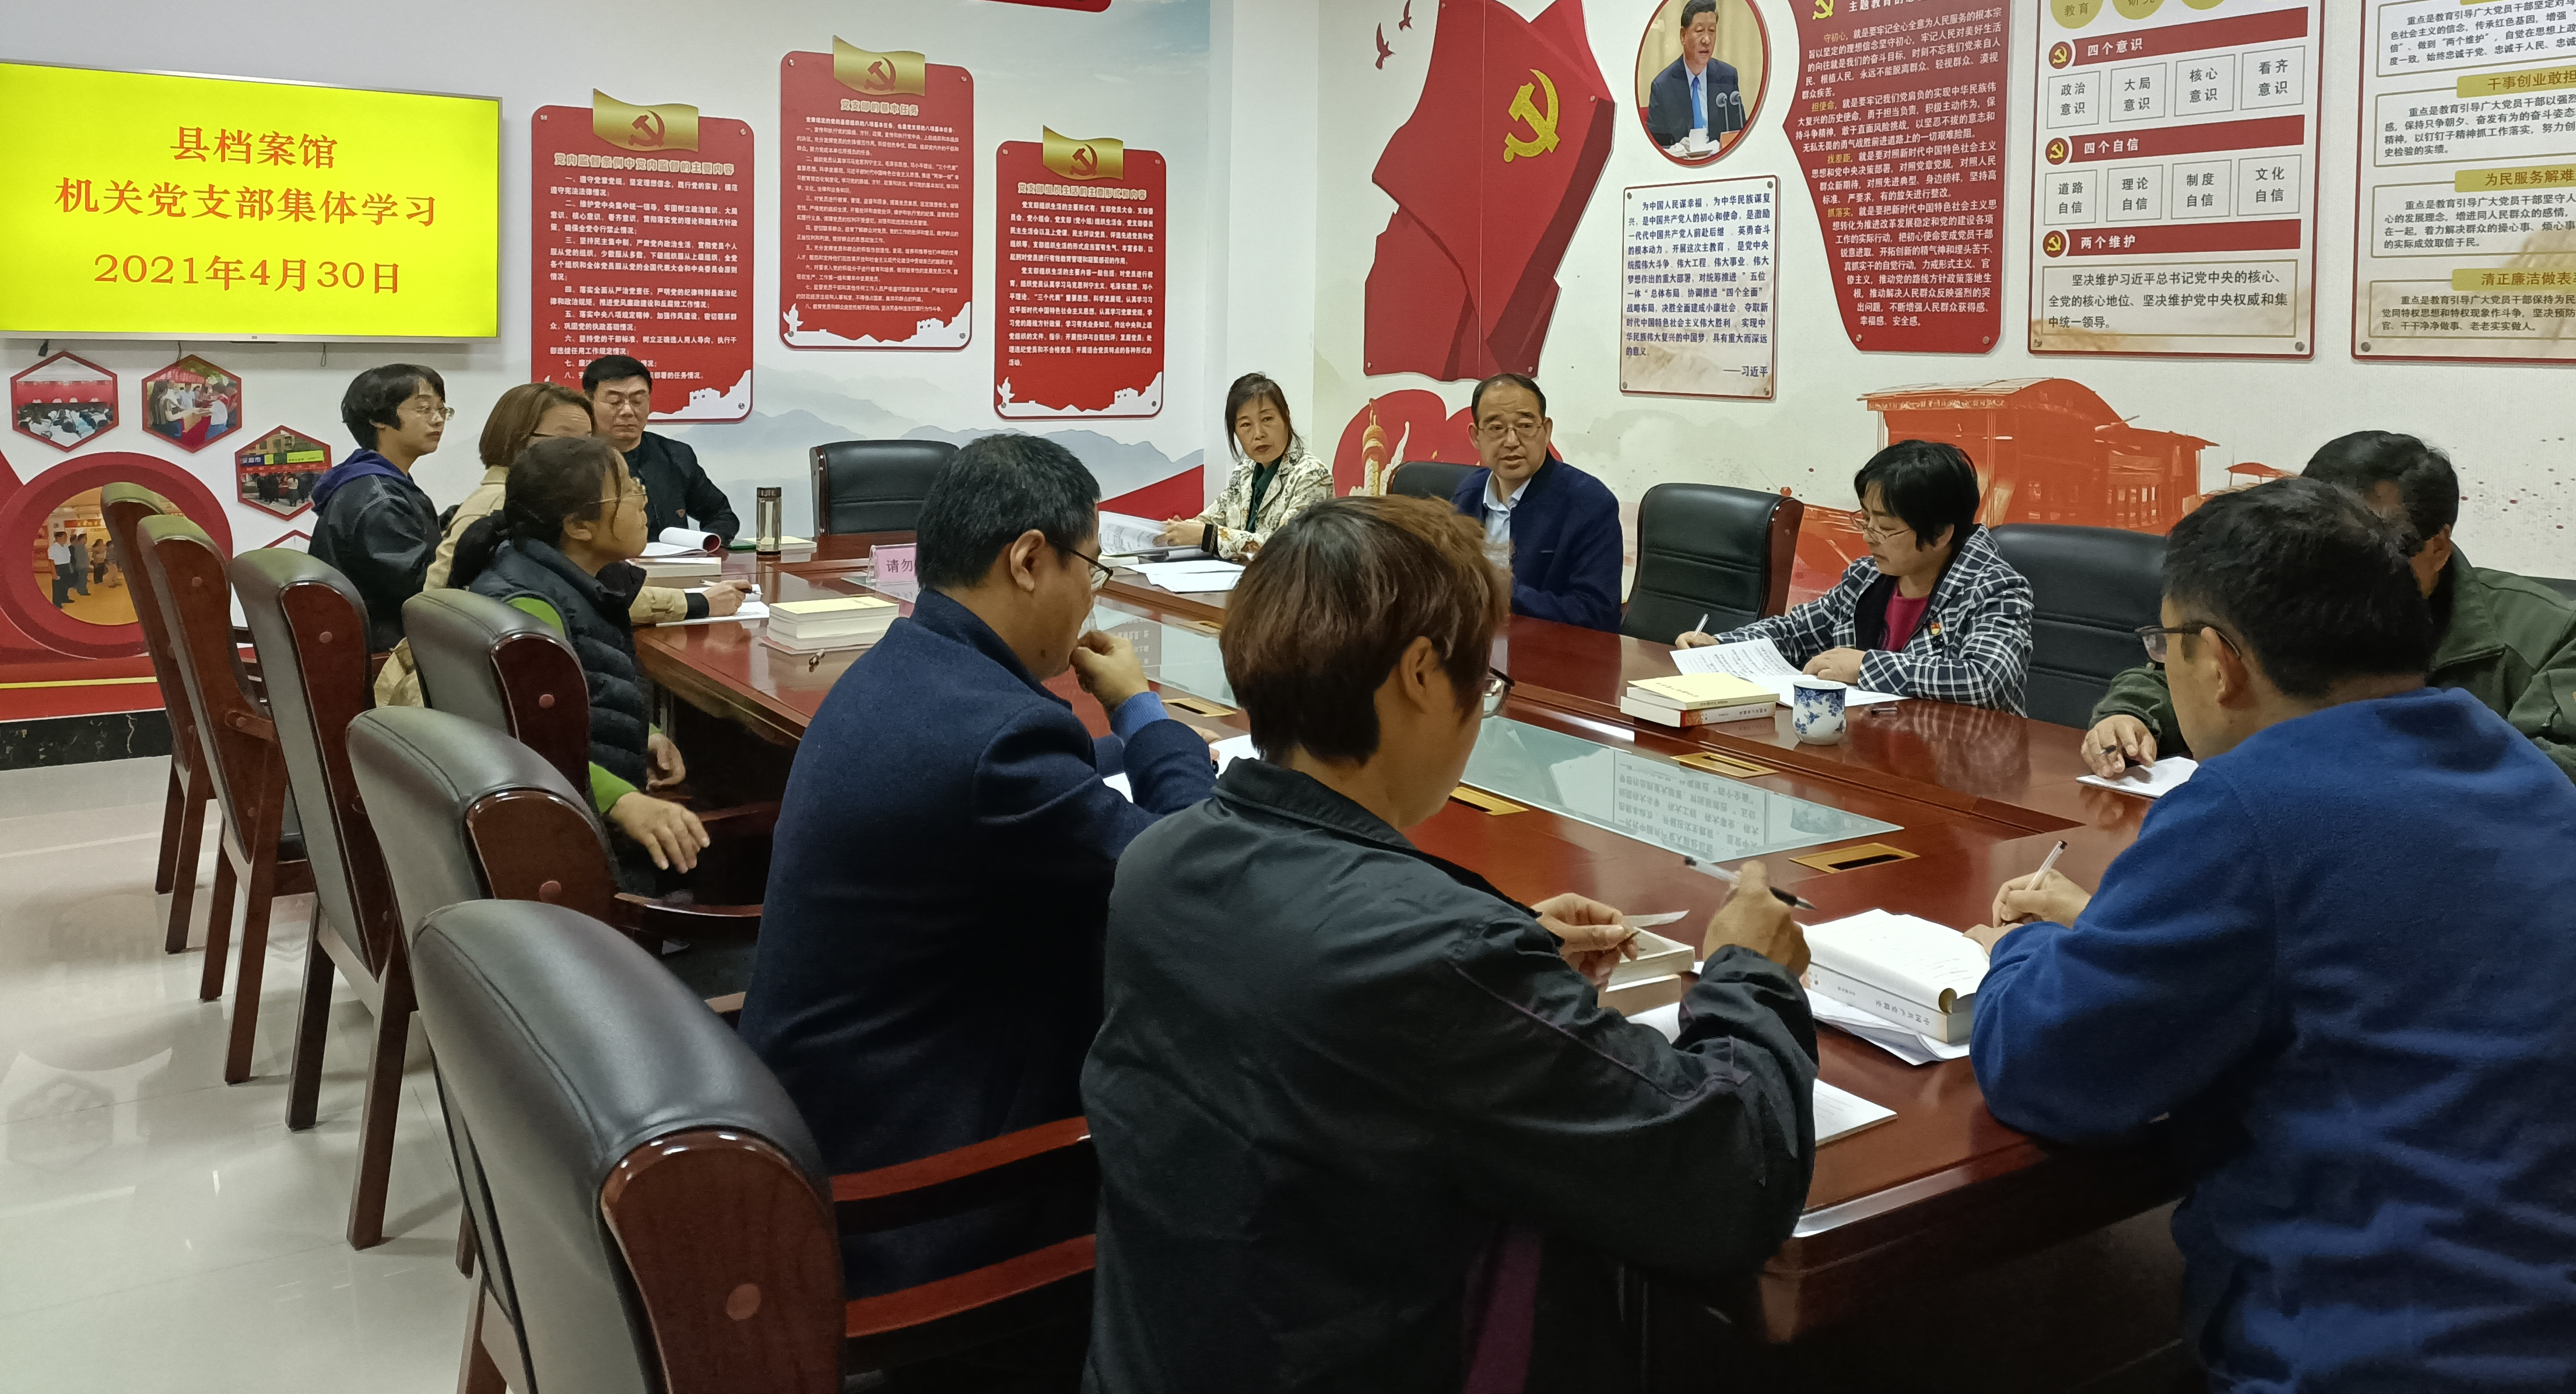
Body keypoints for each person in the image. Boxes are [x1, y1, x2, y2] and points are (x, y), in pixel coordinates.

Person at [1968, 479, 2576, 1391]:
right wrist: (2107, 932)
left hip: (2425, 1360)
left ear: (2220, 661)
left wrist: (2015, 955)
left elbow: (2051, 1068)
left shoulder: (2250, 803)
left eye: (2165, 646)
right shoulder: (2514, 766)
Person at [1083, 496, 1817, 1392]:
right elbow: (1729, 1180)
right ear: (1424, 674)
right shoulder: (1439, 959)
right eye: (1486, 680)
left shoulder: (1160, 860)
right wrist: (1751, 973)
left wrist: (1514, 960)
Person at [740, 435, 1216, 1301]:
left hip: (824, 1120)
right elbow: (1190, 876)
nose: (1092, 596)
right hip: (911, 1195)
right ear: (1029, 560)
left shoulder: (909, 663)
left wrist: (1127, 750)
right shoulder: (999, 741)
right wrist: (1144, 715)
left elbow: (1028, 783)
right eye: (1090, 568)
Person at [2084, 431, 2576, 803]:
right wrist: (2130, 715)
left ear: (2438, 546)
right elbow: (2191, 669)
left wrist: (2394, 769)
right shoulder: (2292, 593)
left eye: (2378, 543)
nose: (2343, 564)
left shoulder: (2546, 628)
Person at [371, 382, 745, 705]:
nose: (587, 454)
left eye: (589, 440)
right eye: (569, 441)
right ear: (519, 441)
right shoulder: (506, 509)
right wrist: (695, 603)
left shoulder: (517, 500)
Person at [452, 437, 706, 881]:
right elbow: (527, 745)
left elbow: (587, 694)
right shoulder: (532, 607)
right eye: (628, 490)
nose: (643, 499)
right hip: (574, 839)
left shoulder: (559, 576)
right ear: (579, 526)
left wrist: (642, 735)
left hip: (587, 807)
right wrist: (622, 802)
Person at [1681, 439, 2034, 712]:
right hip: (1869, 742)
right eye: (1865, 519)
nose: (1868, 536)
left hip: (1960, 764)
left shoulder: (1994, 589)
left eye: (1885, 527)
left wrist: (1866, 665)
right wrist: (1723, 646)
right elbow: (1796, 632)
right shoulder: (1867, 577)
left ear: (1941, 534)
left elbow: (1985, 680)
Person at [1450, 373, 1623, 631]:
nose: (1511, 441)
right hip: (1476, 641)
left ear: (1546, 431)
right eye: (1496, 428)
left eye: (1525, 426)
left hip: (1549, 649)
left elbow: (1597, 614)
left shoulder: (1590, 503)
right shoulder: (1469, 494)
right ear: (1476, 436)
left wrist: (1506, 593)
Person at [310, 365, 449, 655]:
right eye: (424, 409)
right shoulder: (379, 499)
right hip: (382, 653)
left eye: (442, 409)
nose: (437, 419)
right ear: (378, 418)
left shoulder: (375, 482)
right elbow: (424, 593)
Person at [1156, 372, 1332, 557]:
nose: (1258, 434)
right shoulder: (1245, 469)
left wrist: (1206, 535)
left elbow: (1288, 547)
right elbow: (1215, 517)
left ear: (1286, 418)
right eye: (1246, 425)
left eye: (1267, 419)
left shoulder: (1313, 475)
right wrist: (1182, 529)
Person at [581, 354, 740, 544]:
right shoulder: (572, 460)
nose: (627, 411)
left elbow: (721, 516)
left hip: (671, 561)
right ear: (589, 401)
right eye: (615, 401)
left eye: (637, 401)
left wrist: (703, 545)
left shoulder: (675, 456)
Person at [1644, 0, 1744, 155]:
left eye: (1712, 31)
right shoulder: (1663, 86)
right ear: (1683, 36)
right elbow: (1655, 146)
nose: (1707, 40)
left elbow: (1740, 133)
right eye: (1699, 31)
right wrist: (1675, 148)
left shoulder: (1728, 77)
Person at [46, 530, 73, 608]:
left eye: (66, 537)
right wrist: (54, 573)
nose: (66, 539)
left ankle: (65, 598)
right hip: (58, 568)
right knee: (58, 586)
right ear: (58, 538)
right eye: (64, 537)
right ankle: (57, 603)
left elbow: (68, 558)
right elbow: (51, 561)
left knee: (66, 585)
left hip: (66, 567)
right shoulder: (53, 548)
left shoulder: (66, 547)